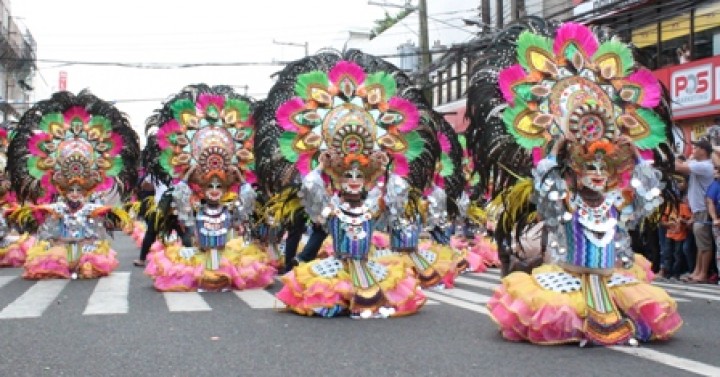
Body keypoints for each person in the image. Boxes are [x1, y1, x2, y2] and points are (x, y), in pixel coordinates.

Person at [482, 22, 681, 346]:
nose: (598, 174)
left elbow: (648, 201)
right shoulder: (566, 200)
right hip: (569, 279)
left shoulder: (616, 200)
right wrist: (555, 152)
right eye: (589, 167)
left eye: (605, 167)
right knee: (561, 314)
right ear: (574, 171)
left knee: (630, 310)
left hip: (608, 277)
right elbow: (544, 195)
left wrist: (638, 159)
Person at [6, 90, 139, 280]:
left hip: (85, 243)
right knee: (54, 256)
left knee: (89, 256)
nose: (75, 194)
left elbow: (97, 231)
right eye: (72, 190)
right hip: (62, 242)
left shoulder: (90, 205)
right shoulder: (59, 206)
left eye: (79, 190)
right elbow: (48, 231)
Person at [675, 138, 715, 283]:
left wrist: (668, 155)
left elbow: (678, 167)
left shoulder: (705, 165)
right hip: (698, 209)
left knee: (704, 244)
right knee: (699, 244)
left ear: (704, 151)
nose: (693, 150)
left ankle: (703, 273)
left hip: (704, 209)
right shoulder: (698, 164)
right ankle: (697, 271)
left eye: (696, 148)